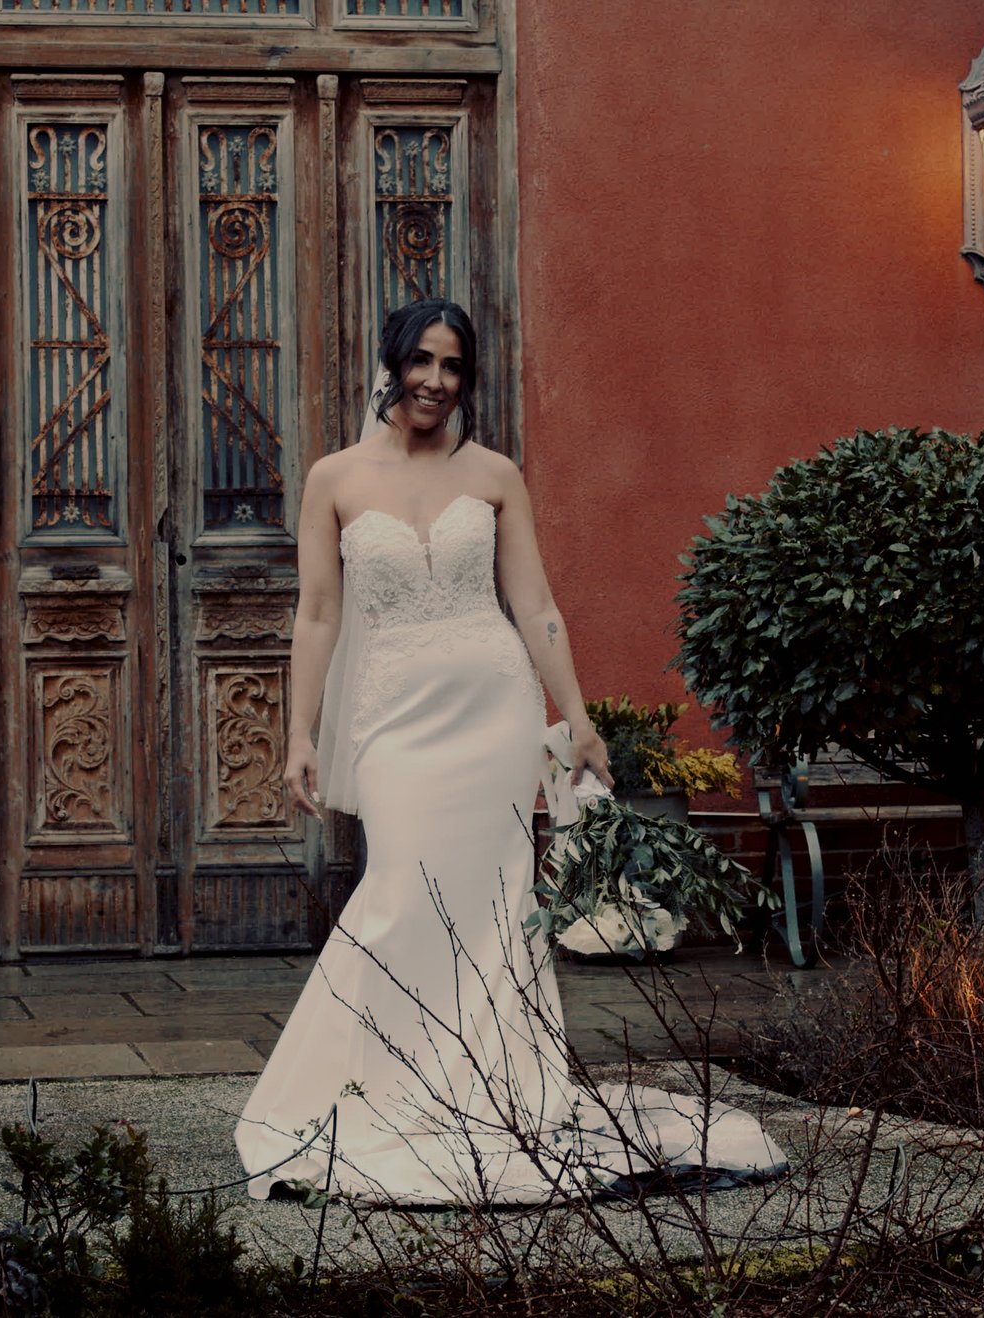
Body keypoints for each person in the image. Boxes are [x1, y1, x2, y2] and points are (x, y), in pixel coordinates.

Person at [231, 299, 788, 1205]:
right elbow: (320, 613)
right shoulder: (334, 478)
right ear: (391, 363)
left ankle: (492, 1082)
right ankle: (381, 1082)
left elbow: (535, 605)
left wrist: (575, 716)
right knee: (403, 886)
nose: (435, 382)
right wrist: (299, 730)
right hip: (391, 718)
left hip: (491, 708)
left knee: (492, 900)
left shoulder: (494, 474)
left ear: (468, 380)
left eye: (453, 367)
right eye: (421, 361)